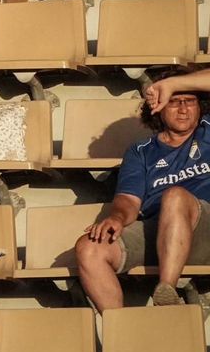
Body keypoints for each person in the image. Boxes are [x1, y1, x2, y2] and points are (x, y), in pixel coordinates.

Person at [76, 66, 210, 310]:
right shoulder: (141, 150)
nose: (183, 109)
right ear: (158, 109)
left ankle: (166, 292)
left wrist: (174, 84)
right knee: (89, 248)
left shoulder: (207, 129)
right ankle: (121, 333)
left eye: (190, 101)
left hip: (206, 228)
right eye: (174, 102)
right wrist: (116, 217)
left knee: (175, 196)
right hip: (160, 230)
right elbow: (128, 199)